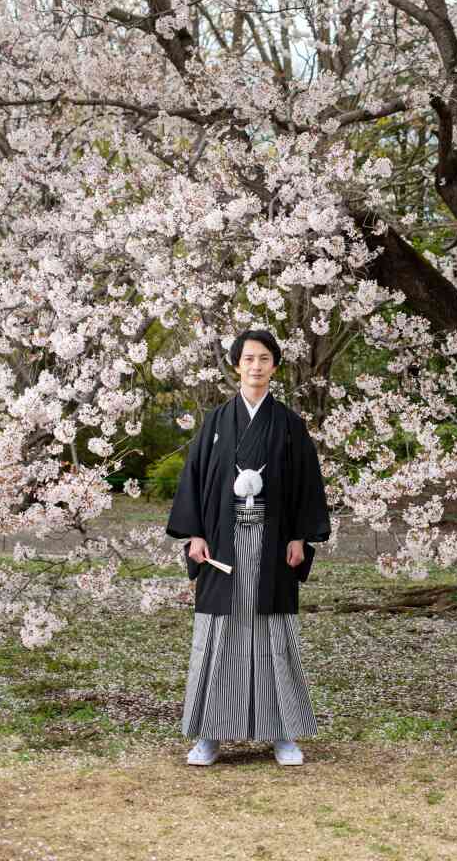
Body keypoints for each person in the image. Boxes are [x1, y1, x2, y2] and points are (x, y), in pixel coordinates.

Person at [166, 329, 330, 767]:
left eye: (264, 358)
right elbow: (195, 479)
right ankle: (210, 735)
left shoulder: (290, 425)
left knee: (272, 634)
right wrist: (195, 534)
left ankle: (281, 734)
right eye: (248, 358)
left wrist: (299, 535)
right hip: (222, 540)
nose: (256, 366)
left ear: (275, 365)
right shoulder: (217, 421)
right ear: (237, 365)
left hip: (273, 542)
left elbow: (305, 485)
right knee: (220, 636)